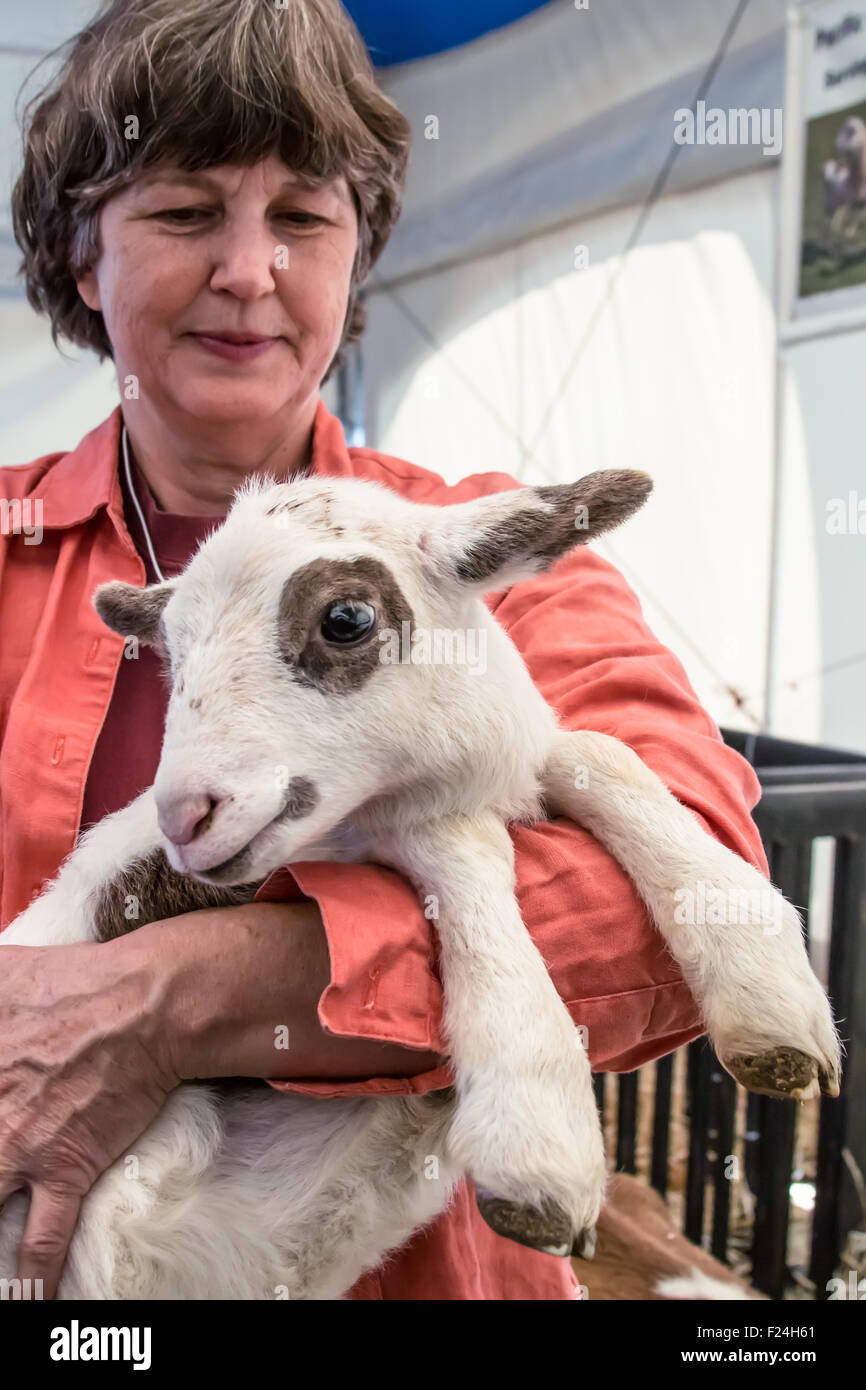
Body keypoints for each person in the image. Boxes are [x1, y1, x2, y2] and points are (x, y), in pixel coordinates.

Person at [0, 0, 769, 1301]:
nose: (250, 270)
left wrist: (170, 996)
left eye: (303, 217)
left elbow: (677, 901)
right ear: (84, 257)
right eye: (186, 213)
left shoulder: (479, 558)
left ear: (357, 254)